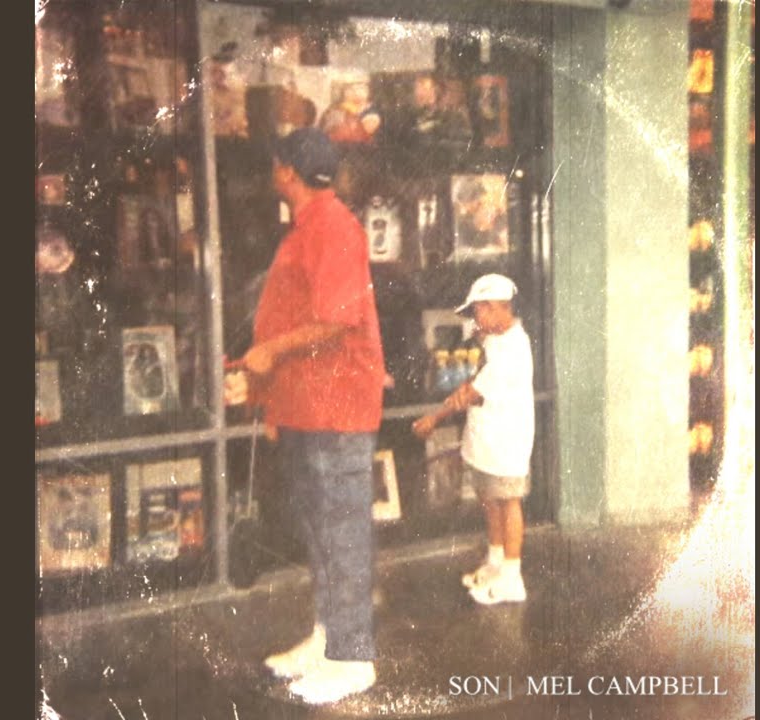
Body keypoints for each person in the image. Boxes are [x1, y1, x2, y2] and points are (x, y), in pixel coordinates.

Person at [222, 127, 386, 704]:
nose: (272, 171)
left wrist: (270, 351)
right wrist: (265, 386)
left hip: (336, 409)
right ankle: (327, 639)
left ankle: (353, 658)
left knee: (341, 533)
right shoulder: (307, 227)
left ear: (286, 170)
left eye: (275, 163)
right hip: (306, 405)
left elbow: (338, 320)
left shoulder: (334, 226)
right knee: (320, 533)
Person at [412, 274, 534, 605]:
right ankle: (495, 563)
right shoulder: (495, 337)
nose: (475, 320)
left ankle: (512, 579)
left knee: (509, 503)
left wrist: (433, 419)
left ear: (496, 307)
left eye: (478, 311)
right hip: (486, 441)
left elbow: (471, 393)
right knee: (490, 501)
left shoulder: (513, 348)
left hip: (506, 443)